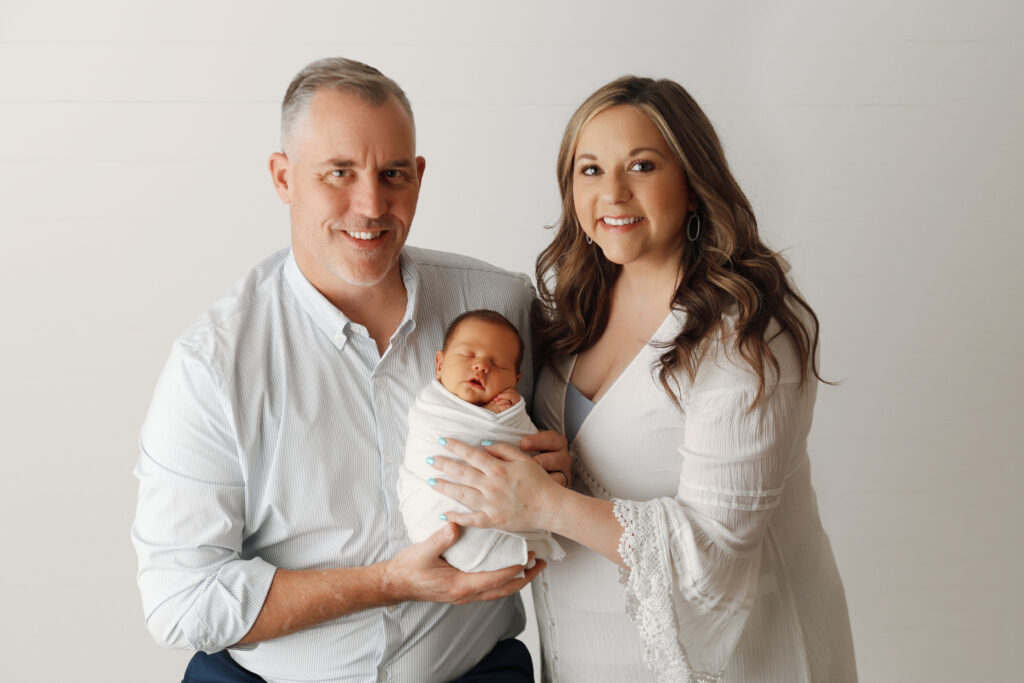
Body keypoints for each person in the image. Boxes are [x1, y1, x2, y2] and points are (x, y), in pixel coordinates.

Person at [131, 57, 571, 683]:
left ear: (417, 177)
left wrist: (556, 476)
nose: (370, 205)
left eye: (392, 173)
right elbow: (179, 605)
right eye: (338, 172)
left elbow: (573, 472)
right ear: (284, 177)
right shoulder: (213, 365)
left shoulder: (504, 305)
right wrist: (386, 583)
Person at [426, 76, 858, 682]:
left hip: (738, 659)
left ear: (691, 183)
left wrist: (547, 501)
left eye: (642, 165)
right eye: (591, 170)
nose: (614, 193)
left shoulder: (748, 334)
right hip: (584, 651)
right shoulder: (579, 303)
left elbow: (715, 549)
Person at [397, 310, 564, 573]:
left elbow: (524, 446)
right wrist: (491, 418)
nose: (482, 366)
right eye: (467, 355)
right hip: (431, 517)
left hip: (504, 521)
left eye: (498, 365)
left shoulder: (512, 412)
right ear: (439, 364)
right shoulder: (430, 407)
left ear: (515, 381)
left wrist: (510, 415)